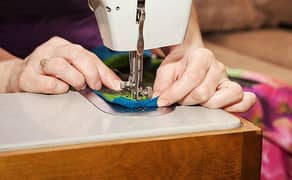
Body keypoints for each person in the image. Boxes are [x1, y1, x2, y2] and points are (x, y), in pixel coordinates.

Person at [0, 1, 255, 112]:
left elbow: (175, 12)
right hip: (19, 64)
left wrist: (190, 52)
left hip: (118, 56)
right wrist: (11, 72)